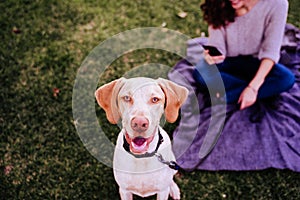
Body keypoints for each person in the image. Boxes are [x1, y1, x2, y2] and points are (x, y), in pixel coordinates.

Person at [193, 0, 295, 110]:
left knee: (286, 79)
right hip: (229, 61)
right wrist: (213, 56)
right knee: (200, 72)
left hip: (257, 62)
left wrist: (253, 88)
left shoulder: (277, 4)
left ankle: (221, 98)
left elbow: (270, 52)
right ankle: (265, 92)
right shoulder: (218, 3)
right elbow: (218, 47)